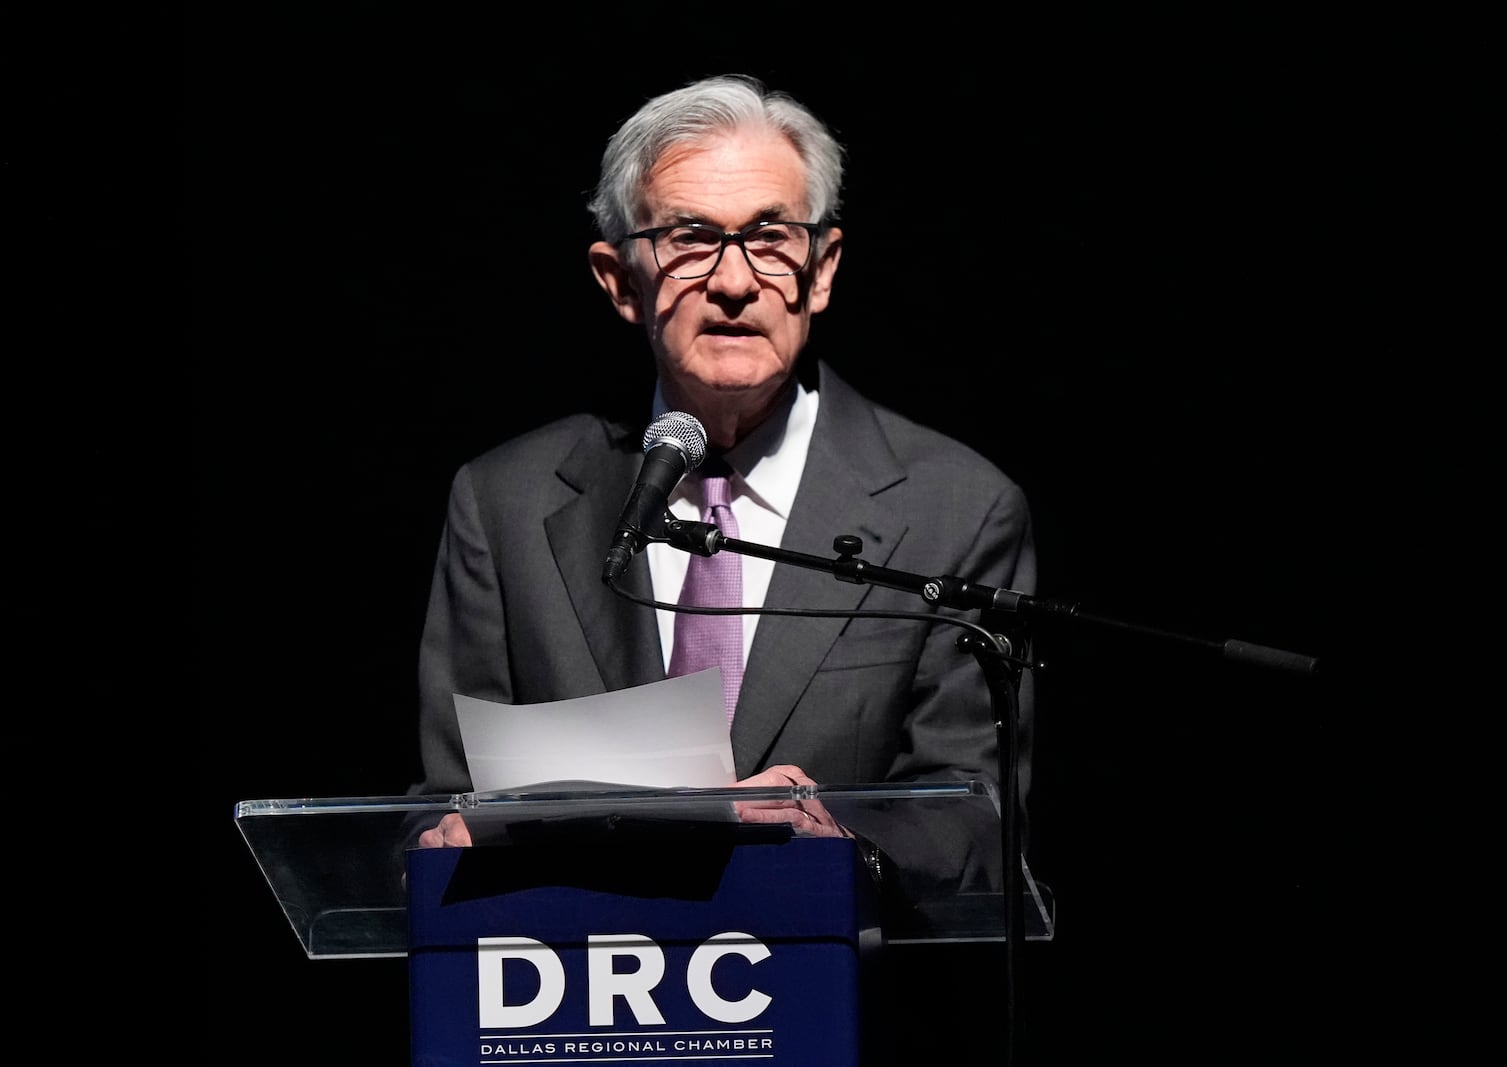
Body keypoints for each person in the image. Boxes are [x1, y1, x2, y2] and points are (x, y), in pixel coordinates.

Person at [408, 74, 1038, 895]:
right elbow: (438, 805)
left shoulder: (955, 508)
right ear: (619, 280)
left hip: (842, 997)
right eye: (691, 238)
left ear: (822, 269)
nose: (736, 281)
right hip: (583, 1001)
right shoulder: (507, 504)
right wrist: (447, 839)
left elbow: (972, 818)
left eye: (771, 236)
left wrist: (830, 836)